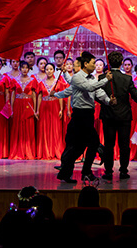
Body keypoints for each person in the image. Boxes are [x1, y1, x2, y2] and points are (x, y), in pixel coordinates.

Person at [53, 51, 114, 183]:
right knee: (89, 144)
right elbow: (89, 88)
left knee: (80, 146)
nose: (95, 65)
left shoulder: (92, 77)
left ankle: (68, 172)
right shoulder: (77, 77)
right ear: (86, 64)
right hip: (80, 116)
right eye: (93, 63)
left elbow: (99, 92)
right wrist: (105, 80)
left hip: (88, 115)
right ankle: (84, 171)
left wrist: (109, 101)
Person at [99, 51, 137, 180]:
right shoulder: (127, 79)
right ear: (122, 63)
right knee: (124, 146)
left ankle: (108, 171)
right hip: (124, 117)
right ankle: (123, 171)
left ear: (109, 63)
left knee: (109, 145)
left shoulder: (102, 78)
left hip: (108, 116)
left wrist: (107, 100)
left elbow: (97, 97)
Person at [5, 60, 38, 160]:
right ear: (20, 69)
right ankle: (17, 151)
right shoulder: (14, 80)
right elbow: (13, 95)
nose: (24, 69)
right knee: (17, 127)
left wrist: (35, 110)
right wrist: (11, 108)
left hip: (28, 105)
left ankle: (28, 151)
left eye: (26, 68)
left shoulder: (33, 80)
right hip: (18, 105)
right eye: (22, 67)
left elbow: (34, 96)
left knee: (28, 128)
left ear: (29, 69)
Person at [36, 63, 66, 160]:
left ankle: (55, 150)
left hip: (55, 106)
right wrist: (37, 110)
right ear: (45, 71)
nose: (49, 71)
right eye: (47, 69)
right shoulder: (41, 83)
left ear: (54, 70)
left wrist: (61, 109)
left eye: (51, 69)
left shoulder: (59, 83)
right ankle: (45, 151)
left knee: (55, 128)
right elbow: (39, 97)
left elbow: (60, 97)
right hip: (44, 107)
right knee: (44, 129)